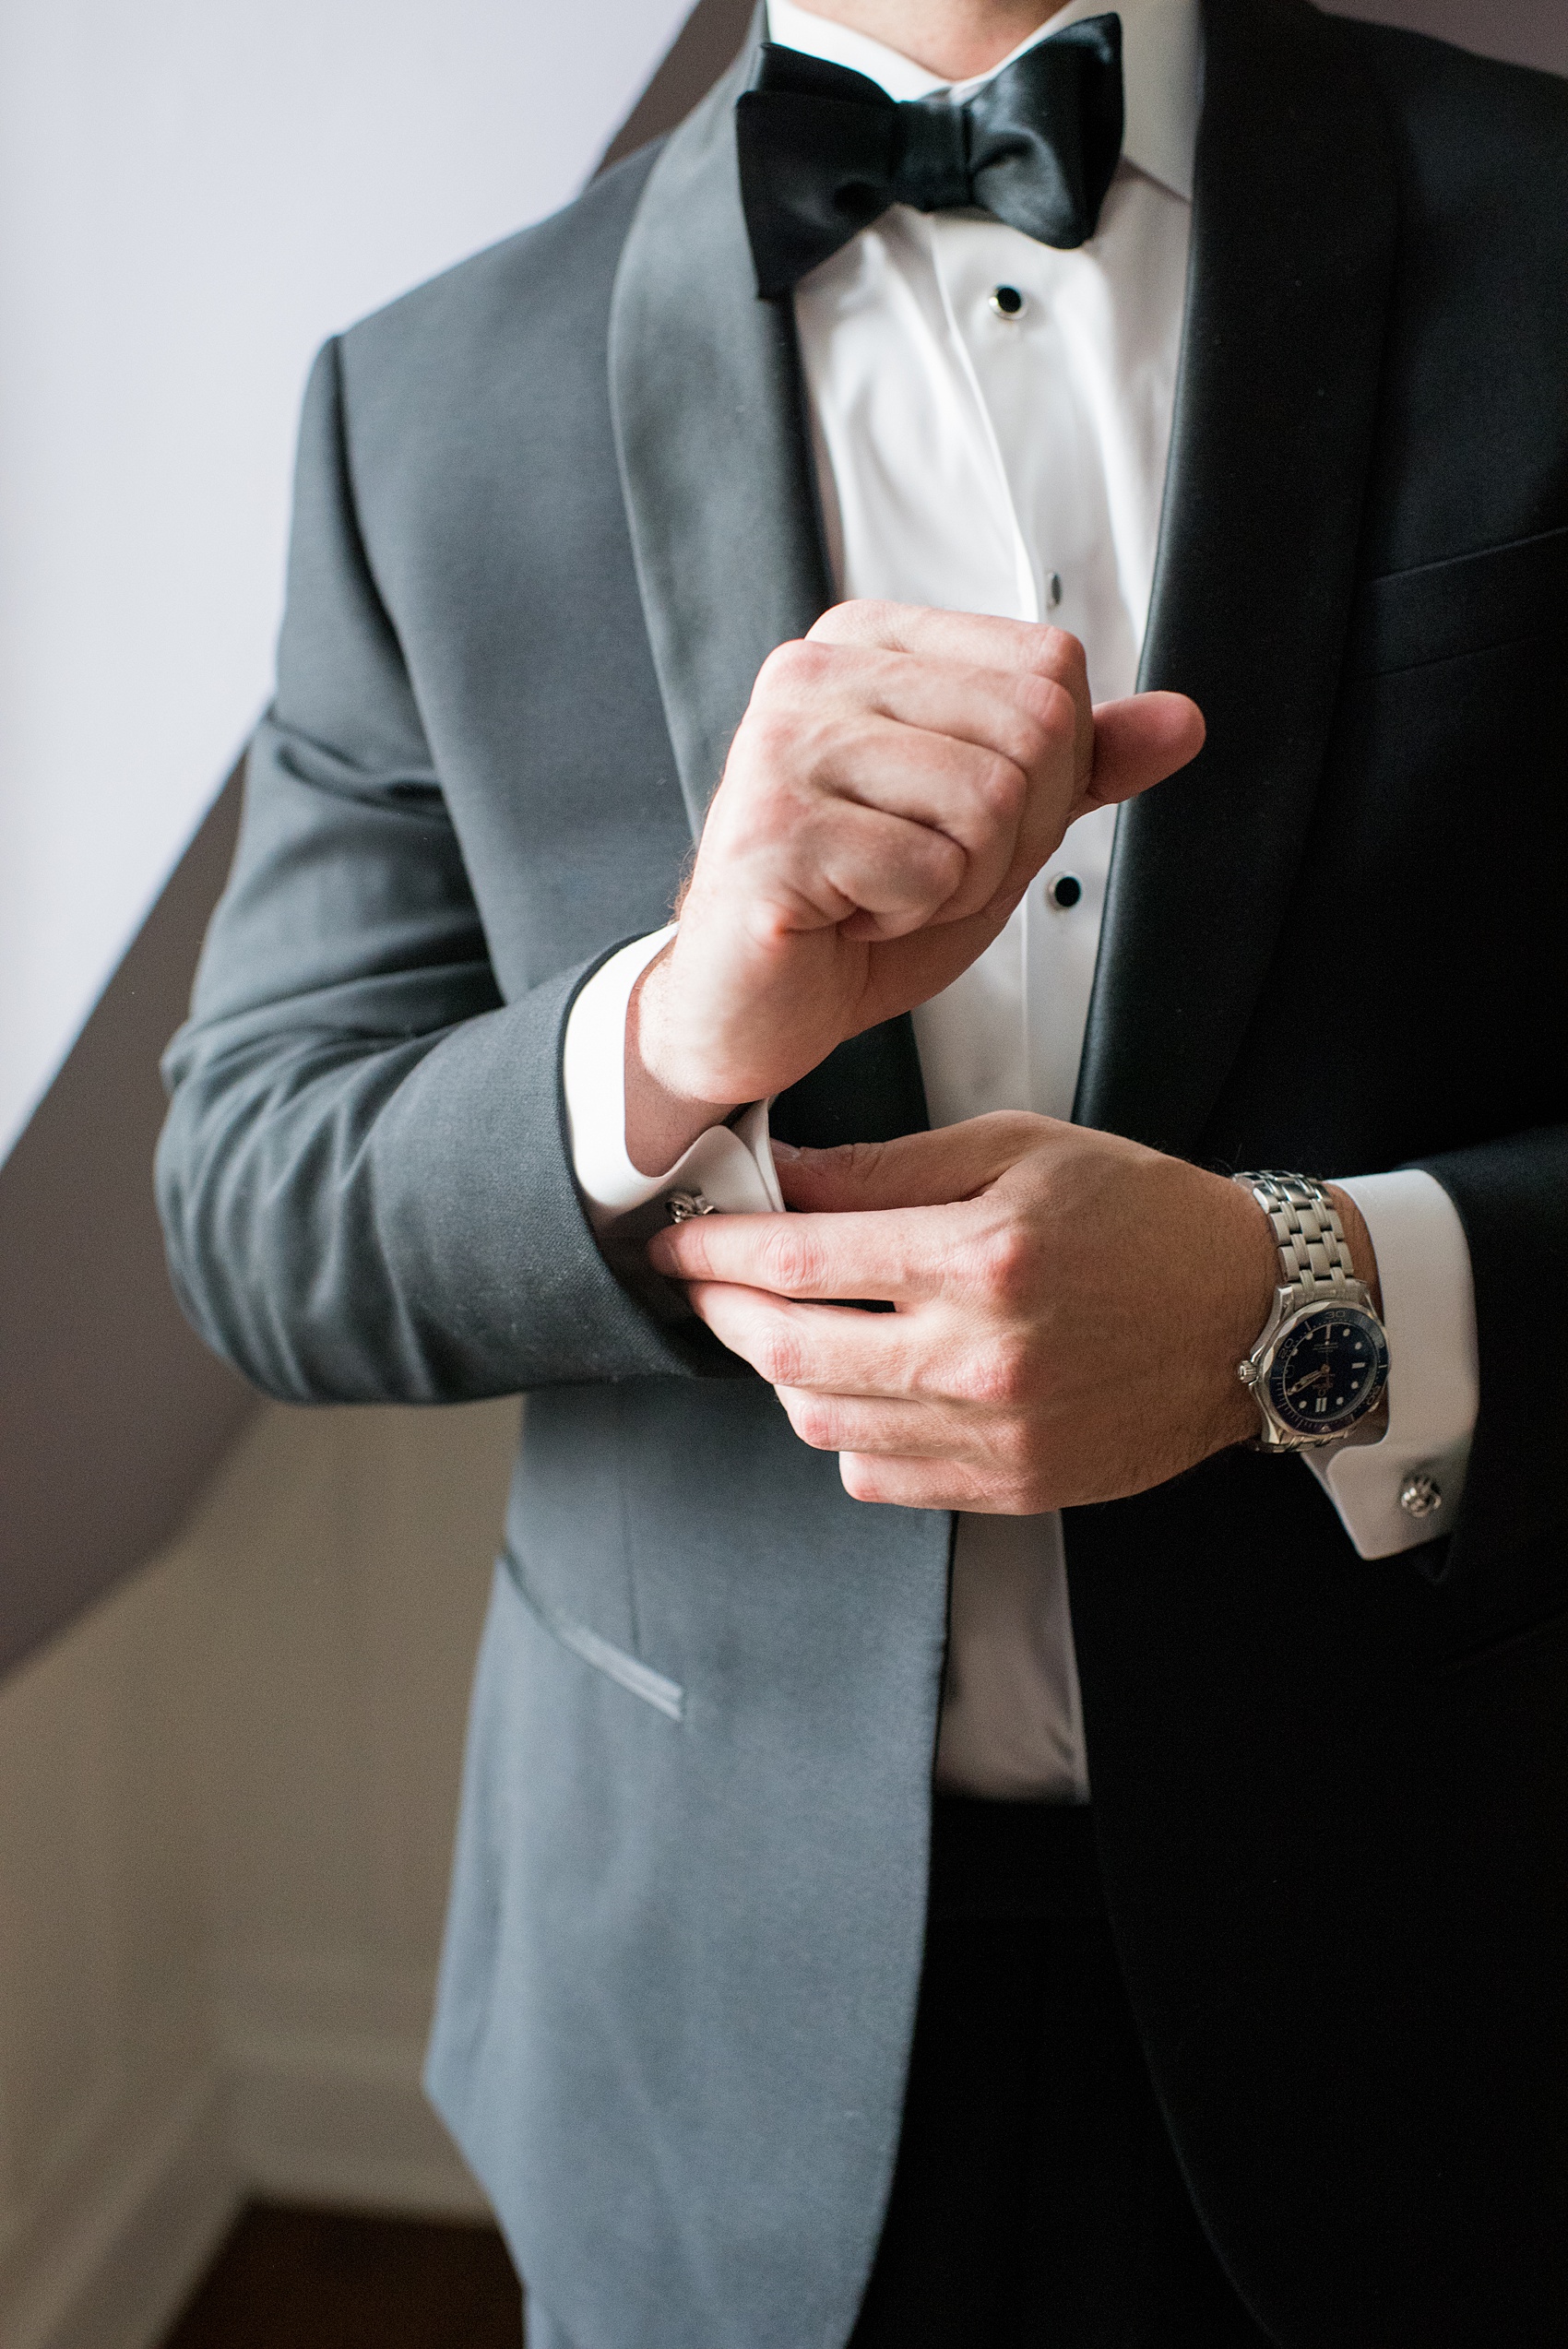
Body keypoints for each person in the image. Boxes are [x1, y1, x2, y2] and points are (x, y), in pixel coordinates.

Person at [157, 0, 1568, 2338]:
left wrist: (1286, 1299)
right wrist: (670, 1026)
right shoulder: (420, 402)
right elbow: (254, 1196)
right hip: (702, 2029)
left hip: (1461, 1947)